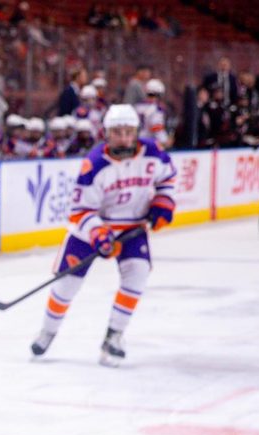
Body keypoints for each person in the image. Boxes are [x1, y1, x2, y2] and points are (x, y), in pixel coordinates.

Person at [28, 104, 176, 367]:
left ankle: (114, 336)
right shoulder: (94, 164)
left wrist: (163, 203)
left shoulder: (154, 153)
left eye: (129, 131)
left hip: (132, 228)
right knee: (66, 285)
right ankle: (48, 331)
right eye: (117, 132)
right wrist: (98, 233)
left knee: (138, 275)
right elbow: (80, 211)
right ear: (107, 133)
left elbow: (167, 180)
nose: (124, 137)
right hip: (90, 232)